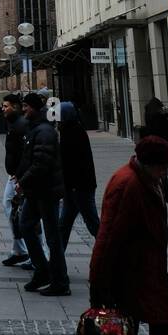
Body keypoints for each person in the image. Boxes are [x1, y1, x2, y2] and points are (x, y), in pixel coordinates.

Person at [89, 135, 168, 335]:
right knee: (159, 322)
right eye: (163, 167)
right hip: (132, 273)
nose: (165, 173)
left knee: (157, 322)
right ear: (149, 163)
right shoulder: (128, 184)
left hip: (148, 269)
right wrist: (98, 282)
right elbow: (107, 236)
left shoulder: (147, 179)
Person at [15, 91, 70, 296]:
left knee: (52, 236)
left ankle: (60, 281)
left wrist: (23, 181)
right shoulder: (36, 128)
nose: (24, 110)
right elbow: (31, 158)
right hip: (36, 190)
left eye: (27, 106)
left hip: (46, 190)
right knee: (25, 225)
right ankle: (42, 270)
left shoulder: (45, 131)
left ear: (36, 108)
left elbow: (41, 163)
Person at [58, 101, 101, 248]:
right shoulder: (70, 130)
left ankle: (109, 253)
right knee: (64, 224)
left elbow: (72, 163)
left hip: (80, 187)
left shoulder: (73, 132)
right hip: (74, 188)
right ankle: (56, 262)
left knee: (92, 223)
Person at [0, 93, 32, 268]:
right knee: (10, 208)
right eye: (3, 106)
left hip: (19, 176)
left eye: (6, 106)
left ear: (16, 106)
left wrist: (20, 174)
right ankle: (19, 250)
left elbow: (26, 153)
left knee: (19, 211)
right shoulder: (13, 123)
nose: (3, 109)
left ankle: (30, 251)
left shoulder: (21, 125)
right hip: (15, 175)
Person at [144, 96, 168, 203]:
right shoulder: (166, 115)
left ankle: (166, 194)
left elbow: (149, 133)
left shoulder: (150, 117)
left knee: (163, 172)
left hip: (157, 147)